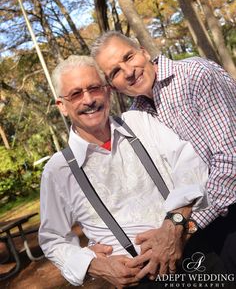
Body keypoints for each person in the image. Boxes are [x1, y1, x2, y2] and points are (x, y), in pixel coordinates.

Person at [39, 56, 211, 288]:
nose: (89, 99)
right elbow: (53, 238)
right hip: (140, 281)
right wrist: (91, 264)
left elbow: (189, 164)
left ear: (107, 91)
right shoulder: (58, 170)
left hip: (199, 254)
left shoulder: (140, 122)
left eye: (94, 88)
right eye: (76, 94)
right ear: (62, 106)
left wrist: (175, 224)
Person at [91, 30, 236, 277]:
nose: (128, 71)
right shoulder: (138, 118)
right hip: (203, 229)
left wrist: (185, 227)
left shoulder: (196, 74)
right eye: (115, 72)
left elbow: (231, 160)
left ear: (144, 52)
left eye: (128, 57)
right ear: (112, 86)